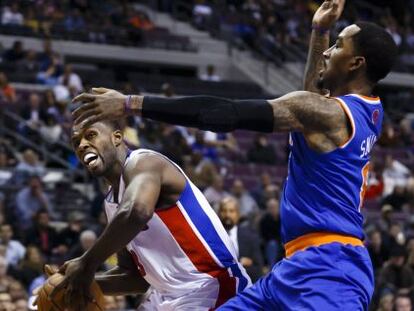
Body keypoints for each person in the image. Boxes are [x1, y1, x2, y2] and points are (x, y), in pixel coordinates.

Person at [72, 0, 398, 309]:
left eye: (338, 45)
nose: (328, 52)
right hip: (295, 267)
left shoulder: (328, 115)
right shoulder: (362, 112)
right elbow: (310, 99)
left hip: (331, 270)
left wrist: (130, 104)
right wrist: (319, 32)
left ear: (357, 63)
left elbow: (222, 112)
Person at [52, 120, 251, 310]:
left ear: (117, 137)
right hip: (166, 297)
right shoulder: (111, 202)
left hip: (212, 286)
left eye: (91, 136)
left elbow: (137, 211)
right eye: (76, 142)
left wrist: (86, 264)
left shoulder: (145, 162)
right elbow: (133, 277)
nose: (82, 145)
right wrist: (79, 283)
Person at [218, 197, 263, 282]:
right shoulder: (212, 237)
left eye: (231, 211)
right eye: (224, 211)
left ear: (238, 214)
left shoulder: (250, 236)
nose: (227, 215)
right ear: (219, 213)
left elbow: (258, 268)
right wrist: (239, 263)